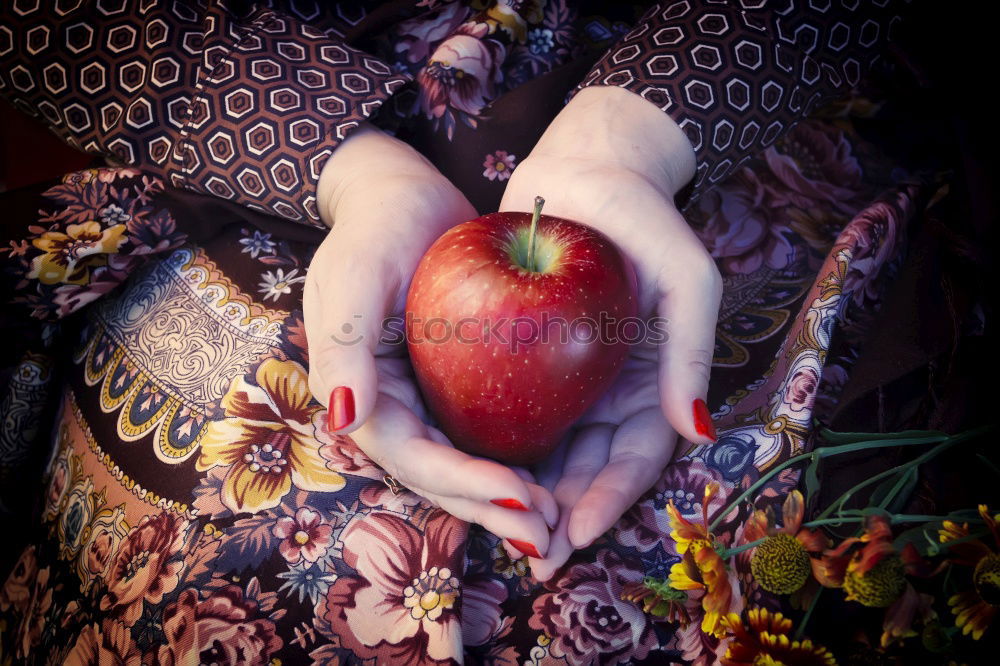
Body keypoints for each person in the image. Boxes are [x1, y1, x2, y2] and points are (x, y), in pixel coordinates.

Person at [0, 1, 915, 663]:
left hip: (706, 107)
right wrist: (351, 171)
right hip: (270, 127)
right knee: (236, 573)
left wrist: (631, 140)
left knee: (752, 559)